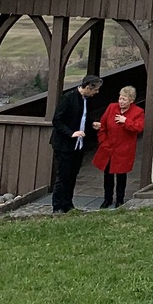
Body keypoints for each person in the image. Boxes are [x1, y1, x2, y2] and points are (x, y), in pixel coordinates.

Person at [48, 74, 103, 214]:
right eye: (95, 89)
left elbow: (82, 118)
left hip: (78, 145)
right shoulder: (68, 98)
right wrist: (71, 133)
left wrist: (91, 124)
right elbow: (57, 120)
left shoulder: (85, 100)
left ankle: (68, 204)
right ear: (88, 87)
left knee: (73, 175)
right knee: (63, 176)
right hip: (64, 145)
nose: (97, 92)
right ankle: (58, 206)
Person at [91, 84, 146, 209]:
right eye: (120, 98)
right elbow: (103, 126)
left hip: (124, 150)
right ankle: (107, 199)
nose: (121, 101)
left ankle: (120, 200)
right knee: (107, 175)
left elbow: (138, 128)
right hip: (108, 148)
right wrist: (103, 141)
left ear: (131, 100)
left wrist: (125, 121)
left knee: (121, 175)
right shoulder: (112, 107)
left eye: (124, 99)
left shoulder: (138, 112)